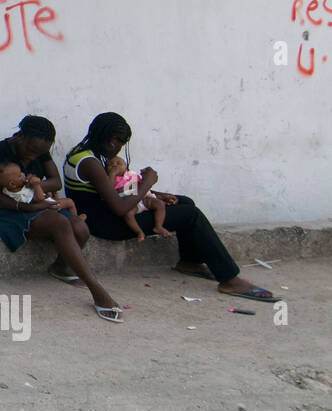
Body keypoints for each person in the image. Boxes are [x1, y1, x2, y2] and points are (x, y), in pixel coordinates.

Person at [63, 112, 278, 302]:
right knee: (191, 214)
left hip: (107, 213)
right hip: (106, 223)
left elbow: (117, 190)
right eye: (120, 142)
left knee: (183, 202)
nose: (119, 148)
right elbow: (119, 207)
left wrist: (155, 195)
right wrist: (147, 183)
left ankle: (190, 262)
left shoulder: (87, 154)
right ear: (110, 141)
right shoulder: (90, 163)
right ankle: (229, 279)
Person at [0, 115, 124, 323]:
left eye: (39, 152)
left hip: (39, 203)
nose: (34, 156)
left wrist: (34, 187)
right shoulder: (1, 151)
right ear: (21, 137)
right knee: (60, 223)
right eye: (31, 150)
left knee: (80, 227)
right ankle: (96, 290)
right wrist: (29, 204)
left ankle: (61, 266)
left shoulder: (40, 151)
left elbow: (56, 182)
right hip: (12, 211)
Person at [106, 155, 170, 240]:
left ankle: (158, 226)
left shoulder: (132, 174)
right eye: (111, 164)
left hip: (144, 200)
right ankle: (139, 232)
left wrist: (145, 173)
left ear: (125, 165)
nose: (115, 165)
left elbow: (144, 186)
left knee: (160, 204)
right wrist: (112, 174)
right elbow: (110, 191)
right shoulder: (110, 179)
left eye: (118, 163)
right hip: (131, 204)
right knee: (128, 215)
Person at [0, 161, 80, 215]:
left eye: (21, 172)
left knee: (50, 193)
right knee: (69, 202)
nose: (23, 174)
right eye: (19, 176)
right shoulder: (21, 195)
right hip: (47, 207)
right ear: (13, 184)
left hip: (45, 203)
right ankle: (75, 217)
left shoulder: (8, 190)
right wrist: (36, 185)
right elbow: (39, 199)